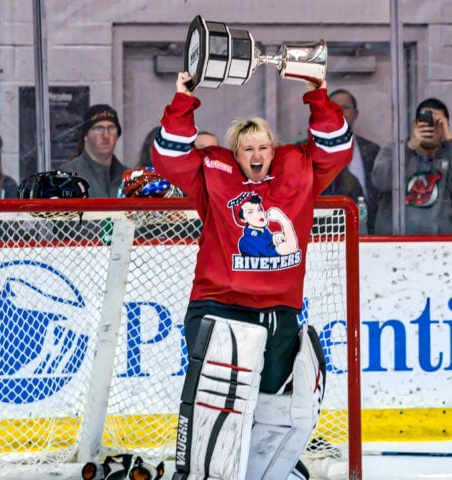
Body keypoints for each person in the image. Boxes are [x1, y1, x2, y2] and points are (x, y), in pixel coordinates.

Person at [152, 72, 353, 480]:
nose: (256, 154)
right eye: (247, 148)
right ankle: (204, 472)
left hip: (280, 312)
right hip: (218, 307)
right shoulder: (213, 173)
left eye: (263, 146)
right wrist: (183, 99)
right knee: (220, 408)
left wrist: (317, 93)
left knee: (278, 406)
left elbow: (337, 146)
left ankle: (269, 470)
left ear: (273, 150)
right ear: (236, 153)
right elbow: (169, 155)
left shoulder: (298, 170)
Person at [372, 97, 452, 234]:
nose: (431, 128)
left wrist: (449, 141)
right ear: (415, 125)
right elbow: (380, 182)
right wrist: (408, 148)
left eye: (438, 123)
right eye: (425, 122)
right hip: (395, 242)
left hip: (442, 244)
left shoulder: (448, 156)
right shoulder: (393, 151)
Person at [325, 89, 381, 233]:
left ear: (355, 114)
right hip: (323, 236)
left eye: (345, 107)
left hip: (366, 235)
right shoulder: (309, 152)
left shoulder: (373, 151)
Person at [60, 104, 128, 197]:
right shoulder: (69, 176)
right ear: (86, 136)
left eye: (111, 128)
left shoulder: (129, 177)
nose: (106, 136)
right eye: (99, 128)